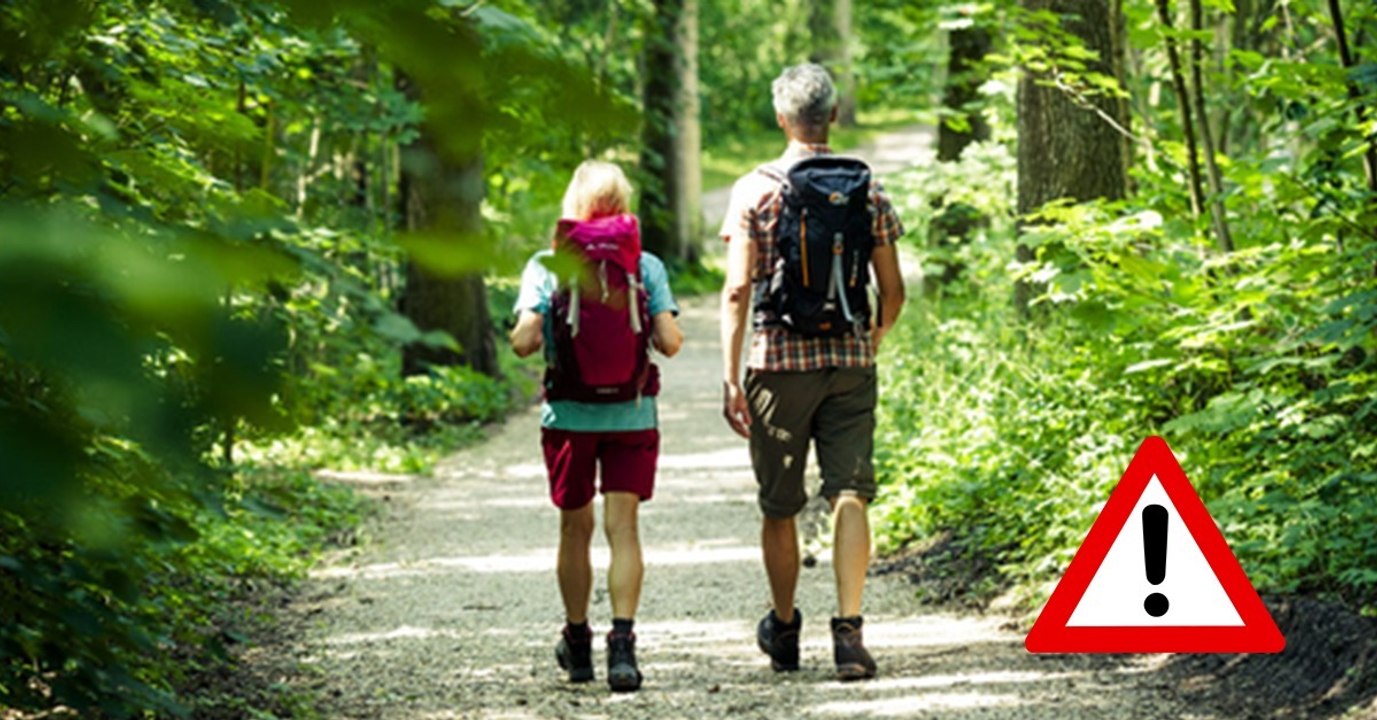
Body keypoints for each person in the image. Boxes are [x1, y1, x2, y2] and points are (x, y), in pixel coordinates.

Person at [718, 63, 906, 681]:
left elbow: (738, 289)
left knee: (781, 504)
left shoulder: (753, 190)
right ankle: (850, 635)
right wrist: (870, 338)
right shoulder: (867, 190)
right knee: (850, 491)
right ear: (833, 116)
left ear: (781, 118)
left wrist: (730, 373)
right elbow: (894, 289)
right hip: (850, 361)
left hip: (777, 365)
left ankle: (786, 628)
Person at [509, 160, 683, 692]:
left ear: (574, 206)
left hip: (569, 416)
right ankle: (624, 648)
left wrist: (530, 329)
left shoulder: (547, 264)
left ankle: (579, 644)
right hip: (631, 413)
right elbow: (670, 343)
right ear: (623, 205)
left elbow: (524, 342)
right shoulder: (644, 264)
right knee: (624, 529)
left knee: (574, 529)